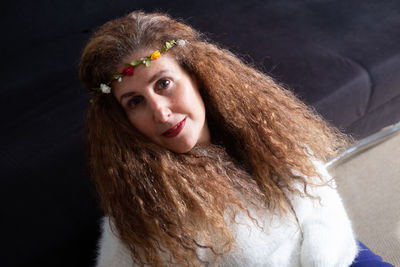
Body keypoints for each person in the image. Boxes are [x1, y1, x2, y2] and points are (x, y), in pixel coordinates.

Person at [79, 10, 390, 267]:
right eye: (135, 102)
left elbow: (321, 202)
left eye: (163, 84)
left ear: (196, 77)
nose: (160, 112)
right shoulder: (141, 217)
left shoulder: (264, 132)